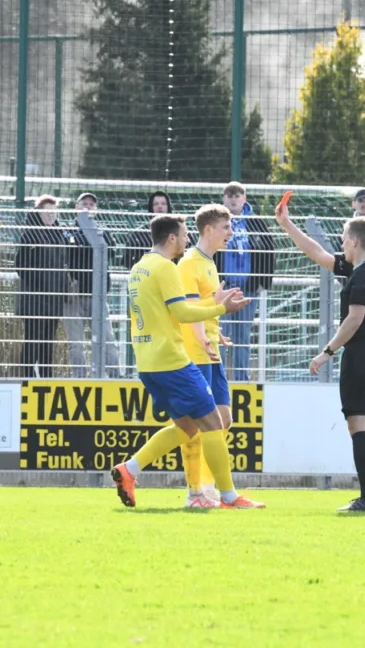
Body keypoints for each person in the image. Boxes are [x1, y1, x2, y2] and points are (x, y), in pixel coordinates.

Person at [110, 214, 262, 509]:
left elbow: (172, 310)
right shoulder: (166, 267)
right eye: (183, 234)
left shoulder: (139, 268)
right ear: (171, 239)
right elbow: (181, 314)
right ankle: (227, 496)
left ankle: (129, 470)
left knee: (188, 428)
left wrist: (213, 311)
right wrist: (220, 307)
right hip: (173, 361)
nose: (187, 239)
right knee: (213, 423)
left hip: (148, 363)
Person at [275, 207, 365, 513]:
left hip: (363, 353)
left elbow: (354, 320)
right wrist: (287, 225)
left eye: (343, 239)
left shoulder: (364, 274)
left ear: (353, 241)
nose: (340, 244)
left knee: (358, 426)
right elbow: (318, 253)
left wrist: (327, 352)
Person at [177, 204, 236, 508]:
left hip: (210, 349)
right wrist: (201, 337)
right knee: (198, 424)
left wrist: (215, 333)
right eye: (226, 228)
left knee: (223, 420)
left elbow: (206, 305)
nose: (231, 233)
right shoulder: (189, 264)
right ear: (208, 229)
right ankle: (194, 492)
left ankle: (209, 488)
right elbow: (188, 308)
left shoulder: (210, 263)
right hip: (196, 351)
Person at [216, 182, 275, 381]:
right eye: (229, 195)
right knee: (220, 333)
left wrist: (263, 282)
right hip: (222, 289)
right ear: (223, 199)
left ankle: (242, 378)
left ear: (244, 198)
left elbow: (269, 248)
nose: (233, 198)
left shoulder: (256, 222)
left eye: (237, 195)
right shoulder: (216, 221)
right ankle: (219, 377)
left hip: (248, 289)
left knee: (242, 336)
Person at [64, 192, 119, 376]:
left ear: (96, 210)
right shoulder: (66, 232)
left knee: (107, 339)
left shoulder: (103, 232)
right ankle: (80, 377)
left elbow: (110, 252)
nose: (87, 206)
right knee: (76, 343)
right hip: (73, 296)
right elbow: (64, 258)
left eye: (91, 204)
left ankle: (114, 376)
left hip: (98, 295)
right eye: (84, 203)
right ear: (76, 208)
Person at [15, 195, 69, 379]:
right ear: (39, 212)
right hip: (35, 299)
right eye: (47, 211)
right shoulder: (30, 234)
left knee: (48, 342)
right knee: (33, 340)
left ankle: (47, 379)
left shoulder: (59, 234)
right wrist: (39, 284)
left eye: (53, 212)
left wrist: (64, 288)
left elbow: (64, 264)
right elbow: (20, 265)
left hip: (54, 299)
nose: (50, 215)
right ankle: (27, 380)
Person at [123, 191, 171, 269]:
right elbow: (126, 259)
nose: (160, 206)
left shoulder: (177, 231)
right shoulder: (139, 233)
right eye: (156, 204)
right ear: (151, 207)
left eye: (163, 204)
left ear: (168, 207)